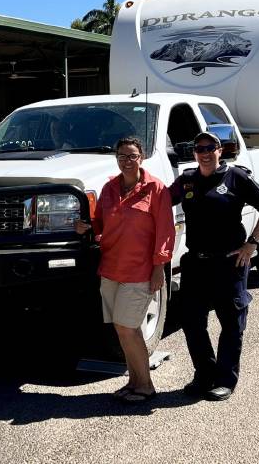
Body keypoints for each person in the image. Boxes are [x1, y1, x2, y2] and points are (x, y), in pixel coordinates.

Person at [168, 131, 259, 402]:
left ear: (220, 151)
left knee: (231, 323)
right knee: (192, 322)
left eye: (210, 148)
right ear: (194, 153)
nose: (204, 153)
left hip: (230, 262)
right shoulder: (187, 180)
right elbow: (157, 202)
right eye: (199, 148)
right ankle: (204, 374)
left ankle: (225, 379)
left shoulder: (235, 177)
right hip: (196, 263)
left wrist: (253, 243)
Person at [74, 137, 173, 403]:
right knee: (122, 328)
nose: (126, 161)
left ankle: (146, 386)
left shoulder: (156, 189)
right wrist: (88, 226)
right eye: (121, 156)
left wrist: (159, 268)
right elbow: (101, 222)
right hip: (111, 268)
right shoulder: (109, 188)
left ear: (141, 157)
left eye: (131, 156)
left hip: (139, 270)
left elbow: (165, 232)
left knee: (128, 327)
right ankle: (134, 381)